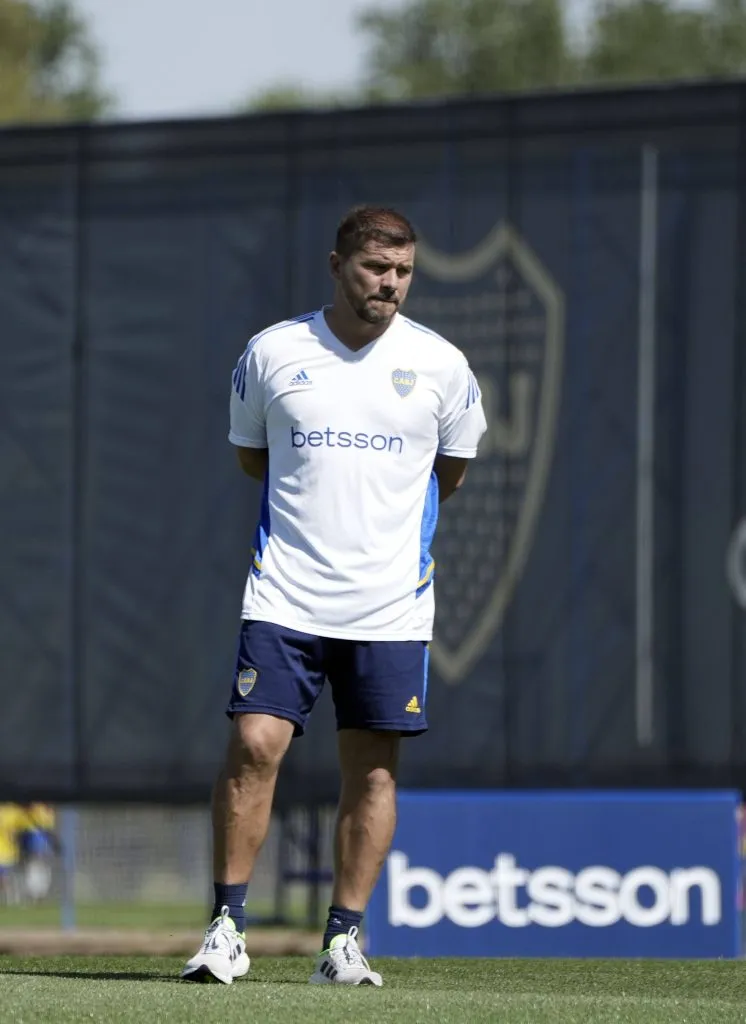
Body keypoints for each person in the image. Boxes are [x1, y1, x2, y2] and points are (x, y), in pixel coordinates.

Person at [182, 205, 487, 986]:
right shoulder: (274, 352)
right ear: (337, 265)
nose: (390, 284)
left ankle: (341, 943)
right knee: (255, 744)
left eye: (403, 271)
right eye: (375, 269)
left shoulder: (444, 365)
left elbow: (446, 475)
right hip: (284, 593)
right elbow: (255, 456)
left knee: (374, 770)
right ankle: (226, 929)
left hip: (389, 606)